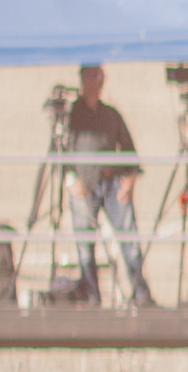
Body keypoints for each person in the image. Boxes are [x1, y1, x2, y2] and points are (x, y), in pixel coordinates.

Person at [61, 63, 152, 309]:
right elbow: (61, 152)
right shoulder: (71, 115)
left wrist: (130, 181)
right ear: (82, 78)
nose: (95, 80)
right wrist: (72, 180)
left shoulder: (111, 114)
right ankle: (92, 295)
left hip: (113, 184)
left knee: (129, 240)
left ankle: (140, 293)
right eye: (90, 75)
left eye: (99, 76)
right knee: (85, 244)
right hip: (84, 186)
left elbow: (130, 151)